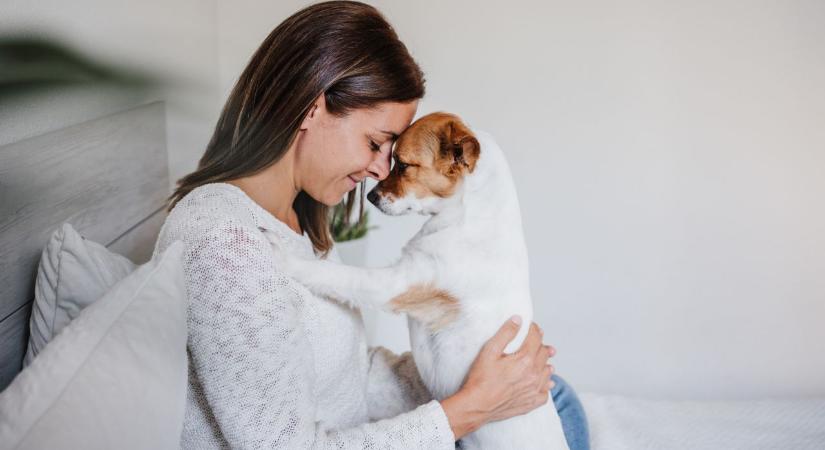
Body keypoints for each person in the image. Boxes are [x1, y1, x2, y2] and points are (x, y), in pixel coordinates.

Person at [153, 1, 589, 448]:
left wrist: (489, 378)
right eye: (376, 143)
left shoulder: (298, 218)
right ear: (311, 108)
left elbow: (347, 377)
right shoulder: (224, 241)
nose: (383, 171)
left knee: (558, 397)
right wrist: (469, 408)